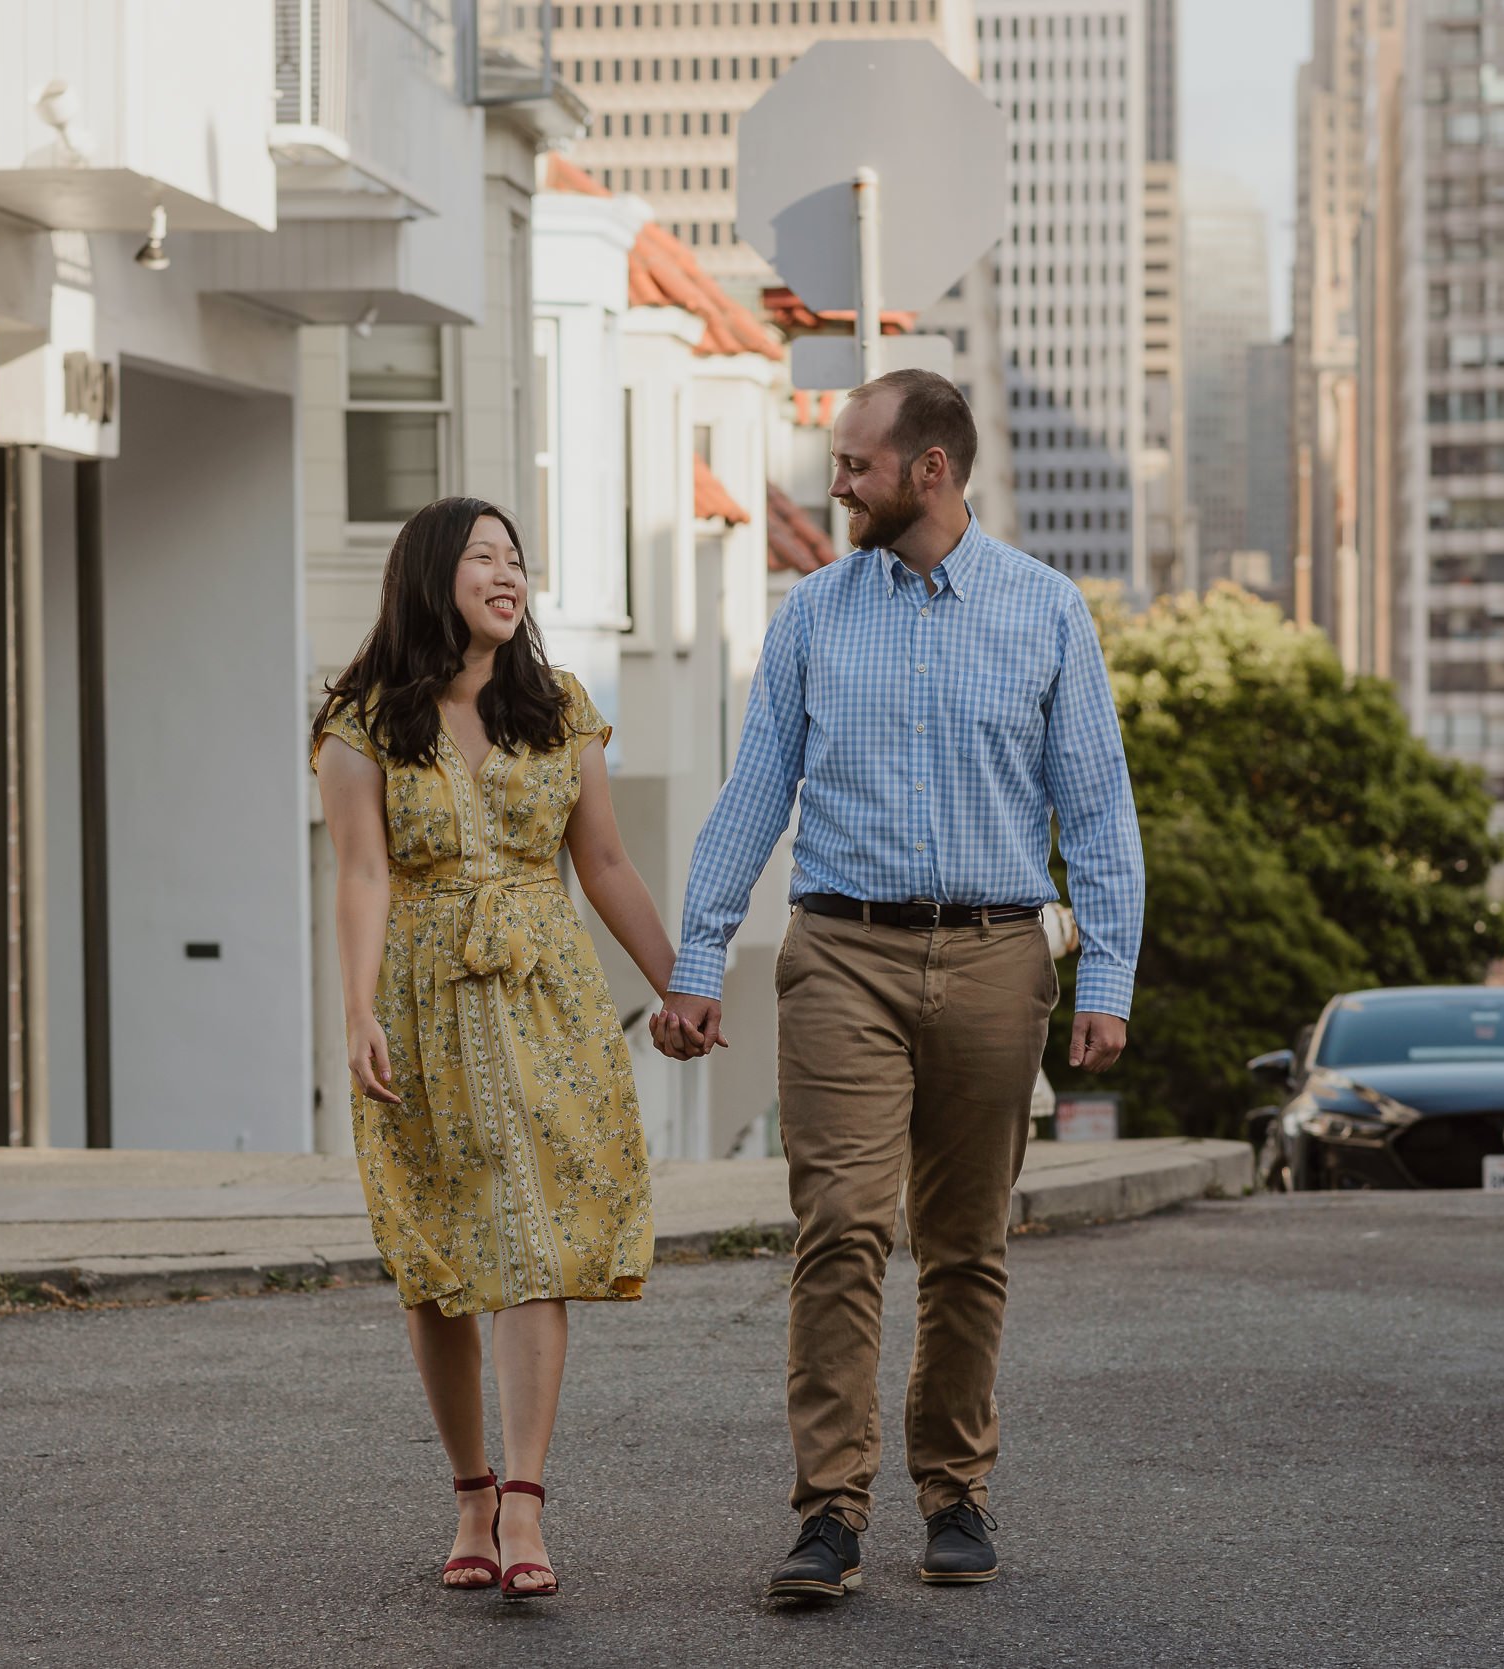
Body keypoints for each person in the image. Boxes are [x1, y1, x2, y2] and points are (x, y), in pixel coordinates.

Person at [650, 370, 1145, 1602]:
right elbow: (754, 789)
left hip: (995, 956)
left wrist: (1111, 976)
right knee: (841, 1229)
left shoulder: (1044, 611)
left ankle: (955, 1487)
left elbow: (1095, 803)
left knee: (967, 1241)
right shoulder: (814, 612)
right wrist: (698, 956)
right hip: (842, 954)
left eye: (856, 463)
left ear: (930, 469)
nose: (837, 482)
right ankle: (828, 1512)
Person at [311, 496, 677, 1601]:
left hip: (542, 994)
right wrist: (357, 1011)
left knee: (536, 1238)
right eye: (483, 557)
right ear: (433, 575)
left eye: (517, 559)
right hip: (421, 998)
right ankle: (468, 1487)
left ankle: (523, 1500)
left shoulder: (557, 705)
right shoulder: (362, 719)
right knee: (437, 1257)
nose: (508, 574)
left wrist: (681, 981)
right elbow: (364, 876)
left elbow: (604, 863)